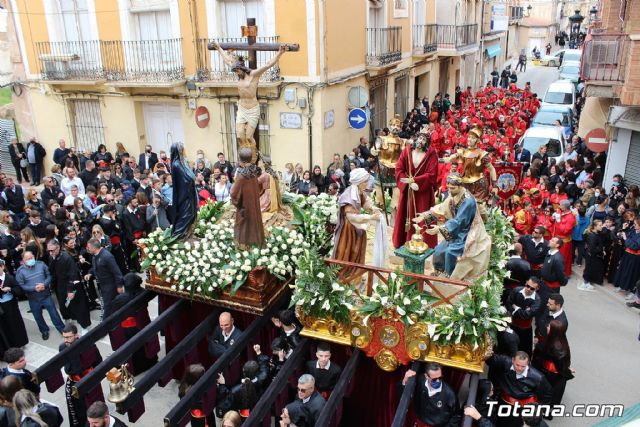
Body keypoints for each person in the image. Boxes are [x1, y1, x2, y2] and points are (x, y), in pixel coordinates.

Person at [211, 41, 288, 160]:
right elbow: (227, 60)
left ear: (241, 68)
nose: (236, 73)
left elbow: (267, 65)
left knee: (248, 136)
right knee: (240, 134)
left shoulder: (253, 75)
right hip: (242, 108)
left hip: (252, 109)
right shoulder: (239, 75)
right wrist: (219, 48)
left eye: (237, 71)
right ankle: (244, 156)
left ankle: (253, 155)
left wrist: (280, 53)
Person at [414, 172, 491, 280]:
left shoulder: (468, 201)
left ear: (460, 186)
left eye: (453, 188)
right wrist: (425, 216)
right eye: (449, 188)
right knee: (438, 250)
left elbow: (459, 222)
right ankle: (439, 271)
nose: (449, 191)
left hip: (468, 232)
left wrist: (440, 229)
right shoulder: (454, 195)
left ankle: (450, 277)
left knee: (451, 252)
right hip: (454, 231)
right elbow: (442, 208)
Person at [332, 168, 381, 283]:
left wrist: (373, 208)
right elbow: (351, 217)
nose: (367, 183)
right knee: (347, 251)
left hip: (358, 228)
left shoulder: (359, 191)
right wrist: (370, 217)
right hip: (348, 230)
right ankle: (344, 277)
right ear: (359, 182)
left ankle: (355, 274)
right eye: (365, 181)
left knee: (357, 251)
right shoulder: (348, 195)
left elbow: (365, 202)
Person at [393, 131, 438, 249]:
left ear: (426, 142)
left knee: (423, 215)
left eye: (423, 139)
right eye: (419, 138)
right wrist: (407, 182)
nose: (420, 141)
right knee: (405, 214)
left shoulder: (431, 153)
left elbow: (432, 174)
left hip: (423, 193)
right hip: (408, 191)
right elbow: (399, 168)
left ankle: (425, 242)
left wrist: (417, 182)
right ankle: (402, 241)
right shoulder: (407, 151)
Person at [486, 351, 552, 427]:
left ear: (528, 363)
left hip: (521, 408)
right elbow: (490, 358)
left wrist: (539, 410)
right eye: (517, 365)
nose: (520, 368)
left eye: (523, 366)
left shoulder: (538, 377)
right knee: (499, 421)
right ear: (513, 360)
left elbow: (548, 393)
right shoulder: (505, 362)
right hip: (503, 401)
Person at [110, 273, 158, 374]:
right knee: (144, 346)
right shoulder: (143, 293)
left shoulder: (120, 299)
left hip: (128, 329)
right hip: (142, 323)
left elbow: (113, 315)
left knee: (131, 350)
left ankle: (134, 370)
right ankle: (149, 363)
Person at [59, 323, 103, 427]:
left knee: (94, 408)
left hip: (88, 382)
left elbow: (98, 361)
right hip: (73, 383)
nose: (66, 340)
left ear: (76, 335)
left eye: (68, 337)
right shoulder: (62, 347)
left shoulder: (88, 346)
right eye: (64, 337)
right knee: (78, 411)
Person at [15, 251, 65, 340]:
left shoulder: (41, 264)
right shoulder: (20, 271)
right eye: (28, 259)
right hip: (33, 298)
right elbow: (21, 285)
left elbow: (49, 275)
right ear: (23, 260)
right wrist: (34, 288)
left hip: (46, 295)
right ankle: (44, 331)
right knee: (38, 316)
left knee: (54, 314)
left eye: (31, 257)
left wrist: (44, 284)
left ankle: (61, 329)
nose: (31, 260)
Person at [443, 127, 496, 201]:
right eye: (469, 137)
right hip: (465, 183)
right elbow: (451, 157)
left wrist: (494, 184)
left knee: (478, 208)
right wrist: (448, 158)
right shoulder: (463, 151)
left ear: (477, 140)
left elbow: (492, 169)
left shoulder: (482, 154)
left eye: (472, 138)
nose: (469, 139)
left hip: (479, 186)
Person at [47, 239, 90, 328]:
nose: (50, 253)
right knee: (64, 307)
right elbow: (51, 271)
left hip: (71, 286)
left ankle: (84, 326)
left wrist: (70, 290)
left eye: (52, 250)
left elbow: (73, 274)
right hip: (60, 287)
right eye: (49, 251)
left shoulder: (66, 257)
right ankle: (70, 324)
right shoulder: (51, 257)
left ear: (58, 247)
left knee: (78, 308)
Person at [402, 362, 461, 427]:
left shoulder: (449, 393)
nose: (438, 381)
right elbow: (404, 397)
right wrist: (405, 380)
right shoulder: (419, 380)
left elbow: (456, 416)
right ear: (426, 376)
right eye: (434, 379)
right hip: (420, 422)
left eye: (440, 377)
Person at [532, 320, 574, 412]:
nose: (547, 327)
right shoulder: (557, 340)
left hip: (553, 375)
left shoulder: (557, 348)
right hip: (549, 372)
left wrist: (568, 371)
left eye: (549, 327)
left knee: (549, 394)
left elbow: (561, 366)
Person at [231, 147, 265, 248]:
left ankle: (245, 246)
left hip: (245, 206)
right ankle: (256, 243)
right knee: (254, 223)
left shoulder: (242, 176)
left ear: (241, 159)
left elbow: (233, 193)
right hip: (254, 204)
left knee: (244, 226)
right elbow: (259, 187)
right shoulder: (254, 172)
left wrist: (237, 203)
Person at [84, 238, 124, 319]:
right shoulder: (94, 256)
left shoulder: (107, 256)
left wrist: (120, 286)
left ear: (94, 248)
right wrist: (90, 273)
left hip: (110, 287)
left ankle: (106, 325)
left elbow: (117, 272)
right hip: (103, 287)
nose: (87, 249)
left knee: (108, 308)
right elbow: (95, 267)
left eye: (88, 247)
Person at [507, 277, 543, 357]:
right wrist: (522, 311)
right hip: (512, 325)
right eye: (527, 286)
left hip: (525, 330)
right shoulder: (516, 290)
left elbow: (527, 316)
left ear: (537, 289)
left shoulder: (537, 300)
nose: (529, 289)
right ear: (526, 283)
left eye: (532, 288)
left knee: (522, 353)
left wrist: (516, 308)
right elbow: (508, 303)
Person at [170, 142, 197, 240]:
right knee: (185, 215)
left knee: (191, 213)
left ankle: (188, 234)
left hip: (188, 193)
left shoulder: (182, 162)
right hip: (184, 195)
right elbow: (186, 178)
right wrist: (192, 179)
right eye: (181, 149)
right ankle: (178, 236)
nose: (183, 151)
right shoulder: (176, 164)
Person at [0, 259, 28, 354]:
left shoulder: (9, 278)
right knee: (5, 327)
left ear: (2, 267)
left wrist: (10, 289)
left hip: (10, 305)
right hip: (1, 307)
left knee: (15, 325)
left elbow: (19, 291)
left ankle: (20, 343)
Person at [580, 219, 606, 290]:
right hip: (591, 255)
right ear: (595, 226)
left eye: (602, 225)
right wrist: (601, 251)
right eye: (600, 225)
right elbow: (592, 248)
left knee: (592, 268)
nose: (602, 227)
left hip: (593, 255)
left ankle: (588, 281)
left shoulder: (596, 233)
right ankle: (585, 283)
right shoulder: (592, 236)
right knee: (589, 269)